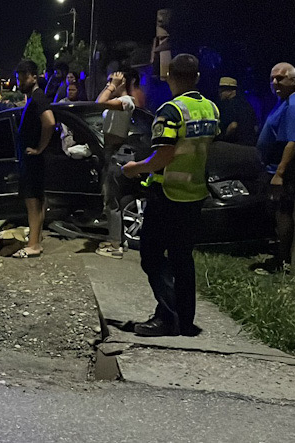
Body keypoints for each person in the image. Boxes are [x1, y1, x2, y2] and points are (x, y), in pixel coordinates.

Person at [122, 54, 219, 337]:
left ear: (169, 77)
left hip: (168, 194)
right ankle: (185, 320)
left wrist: (134, 168)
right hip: (195, 193)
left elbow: (163, 155)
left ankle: (168, 315)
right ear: (197, 77)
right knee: (182, 257)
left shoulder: (171, 111)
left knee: (151, 255)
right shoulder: (211, 108)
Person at [93, 70, 145, 259]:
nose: (109, 84)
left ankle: (115, 245)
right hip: (110, 152)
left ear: (123, 82)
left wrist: (113, 85)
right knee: (110, 198)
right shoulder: (118, 102)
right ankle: (118, 239)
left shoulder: (127, 101)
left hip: (116, 152)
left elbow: (99, 103)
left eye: (113, 80)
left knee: (112, 200)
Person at [12, 59, 57, 258]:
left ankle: (33, 245)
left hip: (32, 159)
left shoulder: (39, 98)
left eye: (23, 78)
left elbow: (50, 122)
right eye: (18, 79)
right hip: (32, 159)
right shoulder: (34, 98)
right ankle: (36, 240)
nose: (20, 82)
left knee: (32, 202)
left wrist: (39, 148)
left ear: (33, 77)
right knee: (37, 201)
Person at [256, 63, 295, 269]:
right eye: (272, 79)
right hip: (272, 167)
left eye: (280, 78)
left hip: (283, 171)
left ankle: (283, 260)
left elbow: (292, 141)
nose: (275, 82)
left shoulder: (293, 105)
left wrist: (279, 173)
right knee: (278, 212)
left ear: (294, 80)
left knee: (283, 212)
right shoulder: (283, 101)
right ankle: (281, 255)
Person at [216, 77, 258, 146]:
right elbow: (256, 127)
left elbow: (233, 126)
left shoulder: (230, 105)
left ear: (231, 91)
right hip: (251, 146)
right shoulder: (246, 104)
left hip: (236, 145)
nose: (219, 93)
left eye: (222, 90)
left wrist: (222, 138)